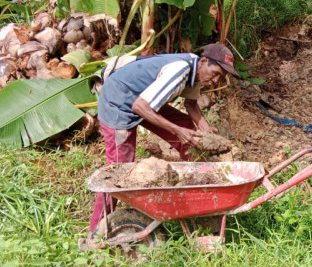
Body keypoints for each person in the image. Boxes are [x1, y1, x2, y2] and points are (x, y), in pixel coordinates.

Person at [89, 43, 238, 235]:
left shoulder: (197, 72)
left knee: (184, 125)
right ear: (203, 61)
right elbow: (140, 106)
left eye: (221, 77)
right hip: (119, 102)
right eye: (216, 73)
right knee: (118, 170)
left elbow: (191, 105)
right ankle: (95, 233)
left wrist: (206, 130)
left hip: (140, 99)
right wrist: (177, 131)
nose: (216, 80)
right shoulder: (179, 71)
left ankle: (201, 186)